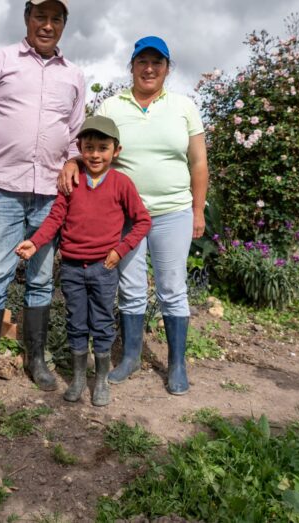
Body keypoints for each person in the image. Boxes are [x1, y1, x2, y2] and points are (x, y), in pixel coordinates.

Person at [59, 36, 208, 395]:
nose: (149, 68)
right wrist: (71, 160)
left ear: (167, 69)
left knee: (173, 288)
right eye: (142, 61)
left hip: (173, 211)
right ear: (132, 66)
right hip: (124, 215)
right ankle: (130, 358)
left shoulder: (184, 106)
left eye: (157, 62)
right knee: (131, 288)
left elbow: (198, 161)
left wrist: (197, 209)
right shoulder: (112, 105)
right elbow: (93, 144)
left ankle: (176, 365)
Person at [0, 0, 86, 404]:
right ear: (27, 18)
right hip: (3, 190)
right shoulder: (0, 60)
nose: (47, 25)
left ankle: (36, 360)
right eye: (40, 16)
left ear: (64, 25)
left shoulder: (73, 75)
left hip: (51, 194)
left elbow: (75, 134)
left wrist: (72, 161)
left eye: (56, 18)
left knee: (41, 281)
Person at [15, 116, 152, 406]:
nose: (95, 154)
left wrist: (119, 251)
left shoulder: (121, 183)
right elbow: (55, 218)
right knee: (76, 322)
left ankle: (100, 381)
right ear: (79, 148)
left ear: (116, 151)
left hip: (104, 268)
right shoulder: (72, 182)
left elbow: (142, 222)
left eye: (103, 148)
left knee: (102, 323)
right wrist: (36, 242)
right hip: (73, 269)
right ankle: (79, 378)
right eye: (89, 147)